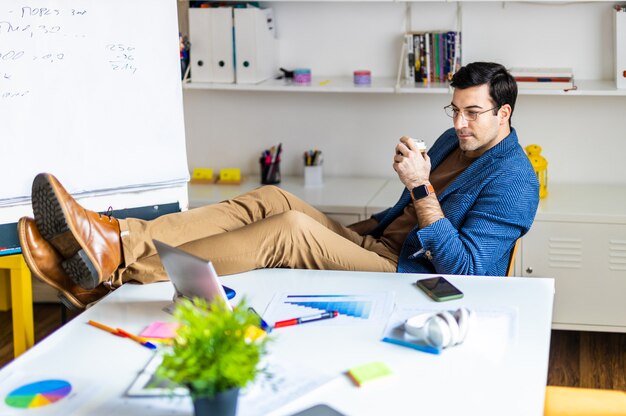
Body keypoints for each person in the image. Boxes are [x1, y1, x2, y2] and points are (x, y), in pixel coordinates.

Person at [18, 62, 539, 310]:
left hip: (411, 273)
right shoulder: (457, 139)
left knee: (287, 229)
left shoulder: (515, 181)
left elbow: (469, 273)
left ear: (505, 112)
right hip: (377, 241)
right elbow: (400, 216)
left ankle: (114, 273)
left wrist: (422, 190)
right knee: (273, 199)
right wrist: (394, 197)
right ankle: (118, 239)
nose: (461, 122)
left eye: (474, 113)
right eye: (455, 110)